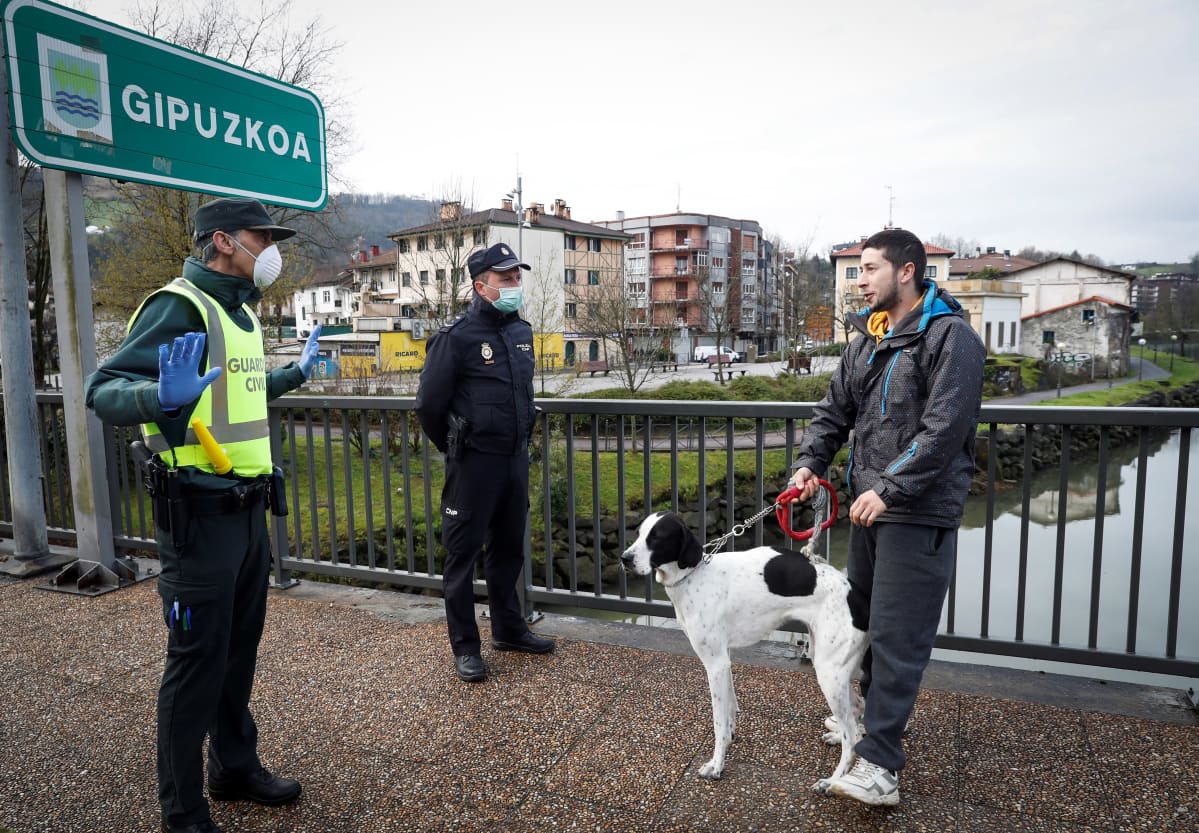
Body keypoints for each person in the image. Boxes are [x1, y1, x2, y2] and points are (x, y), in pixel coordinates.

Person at [85, 197, 323, 833]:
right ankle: (183, 812)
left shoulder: (237, 314)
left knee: (236, 653)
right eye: (261, 236)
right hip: (198, 518)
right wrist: (155, 395)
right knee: (194, 664)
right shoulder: (180, 305)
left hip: (246, 516)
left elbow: (236, 389)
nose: (271, 249)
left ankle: (234, 767)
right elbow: (101, 391)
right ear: (222, 241)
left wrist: (293, 374)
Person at [789, 228, 985, 806]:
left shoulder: (951, 339)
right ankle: (873, 730)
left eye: (870, 268)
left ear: (907, 272)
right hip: (872, 509)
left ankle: (881, 766)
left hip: (915, 511)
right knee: (868, 627)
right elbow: (833, 413)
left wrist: (892, 489)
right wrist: (809, 465)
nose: (861, 279)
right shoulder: (867, 342)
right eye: (859, 269)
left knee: (900, 639)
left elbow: (945, 432)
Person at [415, 241, 553, 683]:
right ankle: (466, 648)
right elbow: (429, 407)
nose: (514, 285)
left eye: (517, 277)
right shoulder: (455, 339)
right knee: (462, 556)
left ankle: (509, 630)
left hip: (514, 461)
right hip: (473, 464)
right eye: (505, 278)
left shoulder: (521, 333)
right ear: (481, 286)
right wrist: (455, 447)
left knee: (509, 550)